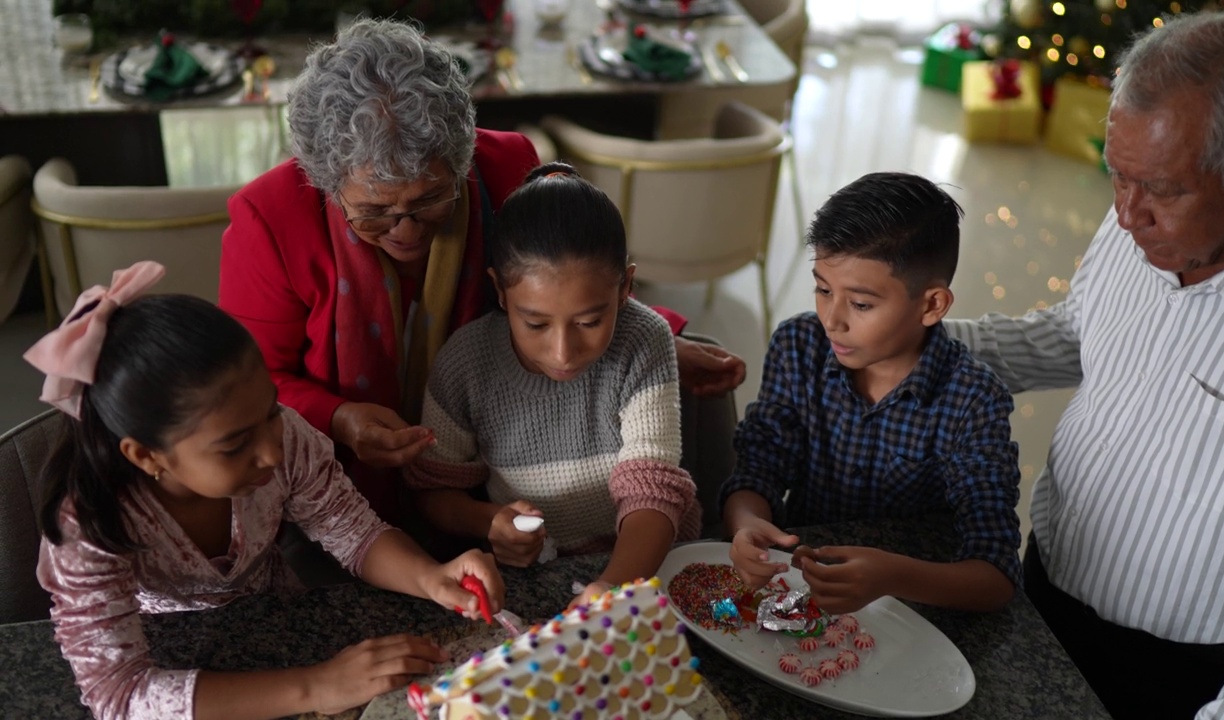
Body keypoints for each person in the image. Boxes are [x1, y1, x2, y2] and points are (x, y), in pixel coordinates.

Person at [217, 18, 746, 523]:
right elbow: (252, 381)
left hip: (489, 474)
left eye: (430, 199)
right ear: (326, 183)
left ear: (462, 158)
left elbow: (557, 281)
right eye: (375, 212)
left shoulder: (505, 166)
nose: (406, 230)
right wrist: (340, 418)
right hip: (336, 494)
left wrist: (651, 339)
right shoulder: (272, 219)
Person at [945, 12, 1224, 719]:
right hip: (1045, 580)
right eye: (1116, 179)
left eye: (1160, 190)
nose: (1127, 216)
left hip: (1178, 674)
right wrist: (918, 345)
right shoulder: (1144, 211)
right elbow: (1080, 333)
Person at [27, 262, 504, 720]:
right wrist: (318, 686)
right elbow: (122, 694)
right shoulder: (88, 522)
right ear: (147, 456)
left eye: (271, 412)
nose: (272, 454)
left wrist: (429, 576)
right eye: (234, 445)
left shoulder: (288, 438)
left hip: (279, 624)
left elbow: (354, 532)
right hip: (176, 668)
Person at [722, 172, 1022, 613]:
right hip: (799, 597)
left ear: (932, 305)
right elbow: (760, 464)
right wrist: (746, 523)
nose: (832, 319)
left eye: (861, 304)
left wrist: (892, 576)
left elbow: (995, 575)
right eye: (823, 289)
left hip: (913, 617)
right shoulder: (799, 346)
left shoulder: (973, 401)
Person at [405, 164, 701, 609]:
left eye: (589, 321)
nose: (563, 352)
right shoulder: (465, 364)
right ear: (501, 292)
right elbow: (432, 489)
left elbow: (653, 490)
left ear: (626, 288)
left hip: (644, 565)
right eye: (535, 323)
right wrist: (489, 522)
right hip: (528, 577)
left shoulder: (644, 341)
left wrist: (610, 588)